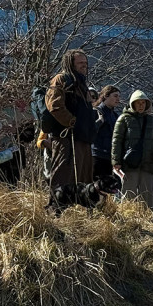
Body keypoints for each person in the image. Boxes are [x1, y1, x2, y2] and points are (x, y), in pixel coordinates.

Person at [44, 48, 96, 195]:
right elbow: (54, 105)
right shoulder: (61, 79)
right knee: (64, 178)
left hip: (83, 138)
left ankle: (77, 211)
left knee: (83, 179)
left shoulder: (82, 83)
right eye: (80, 63)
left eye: (85, 63)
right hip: (66, 138)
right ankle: (58, 212)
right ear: (70, 63)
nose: (84, 65)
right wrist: (72, 122)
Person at [112, 90, 153, 206]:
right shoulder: (124, 119)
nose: (141, 105)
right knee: (128, 193)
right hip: (130, 164)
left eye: (143, 103)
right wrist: (116, 161)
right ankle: (127, 219)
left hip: (148, 163)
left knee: (146, 195)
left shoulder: (151, 120)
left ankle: (146, 220)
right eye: (138, 103)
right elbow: (117, 141)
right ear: (133, 103)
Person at [92, 85, 120, 181]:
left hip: (109, 157)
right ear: (106, 96)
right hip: (97, 155)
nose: (118, 99)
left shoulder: (115, 115)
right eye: (115, 96)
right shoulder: (96, 111)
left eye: (119, 96)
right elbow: (89, 131)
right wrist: (99, 122)